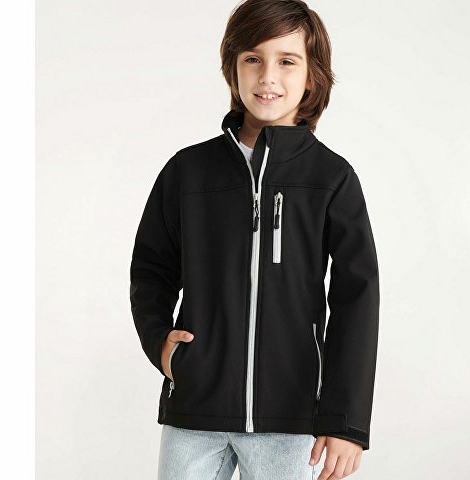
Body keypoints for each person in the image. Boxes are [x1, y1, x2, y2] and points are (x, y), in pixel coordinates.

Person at [130, 1, 380, 478]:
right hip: (195, 411)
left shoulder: (331, 178)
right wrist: (160, 343)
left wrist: (345, 421)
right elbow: (151, 268)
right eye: (253, 58)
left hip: (290, 418)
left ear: (311, 76)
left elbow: (357, 299)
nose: (268, 76)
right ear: (233, 69)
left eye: (286, 61)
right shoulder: (188, 171)